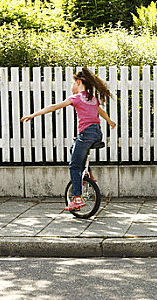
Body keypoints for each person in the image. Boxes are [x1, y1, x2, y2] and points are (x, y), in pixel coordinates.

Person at [21, 67, 117, 211]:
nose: (71, 87)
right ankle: (88, 173)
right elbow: (100, 111)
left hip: (85, 134)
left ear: (78, 82)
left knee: (73, 166)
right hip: (97, 133)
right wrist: (109, 121)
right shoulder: (92, 98)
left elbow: (54, 107)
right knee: (74, 149)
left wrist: (33, 115)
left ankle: (77, 198)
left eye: (72, 83)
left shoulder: (76, 98)